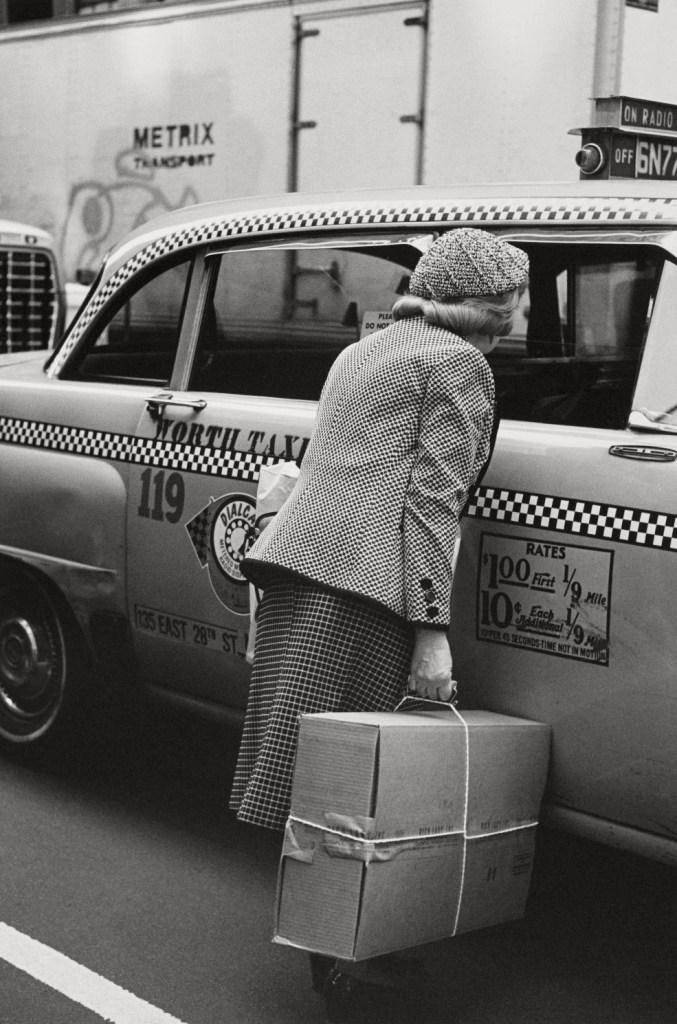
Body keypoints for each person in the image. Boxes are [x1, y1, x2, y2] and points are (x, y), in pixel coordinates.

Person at [228, 228, 528, 1010]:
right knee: (361, 789)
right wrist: (432, 633)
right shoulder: (458, 364)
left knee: (318, 775)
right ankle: (352, 964)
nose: (514, 318)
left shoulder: (366, 348)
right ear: (461, 301)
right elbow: (432, 504)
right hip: (360, 590)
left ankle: (336, 946)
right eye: (504, 302)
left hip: (298, 570)